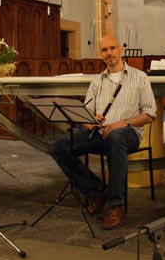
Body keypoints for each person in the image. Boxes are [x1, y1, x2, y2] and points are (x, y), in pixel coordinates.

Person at [49, 35, 157, 230]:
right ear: (100, 54)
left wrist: (122, 123)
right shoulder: (97, 80)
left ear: (121, 49)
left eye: (112, 48)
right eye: (104, 50)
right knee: (59, 146)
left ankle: (116, 205)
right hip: (100, 133)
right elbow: (87, 113)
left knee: (115, 137)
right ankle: (97, 190)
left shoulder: (139, 77)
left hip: (128, 134)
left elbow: (149, 114)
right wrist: (92, 122)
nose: (109, 53)